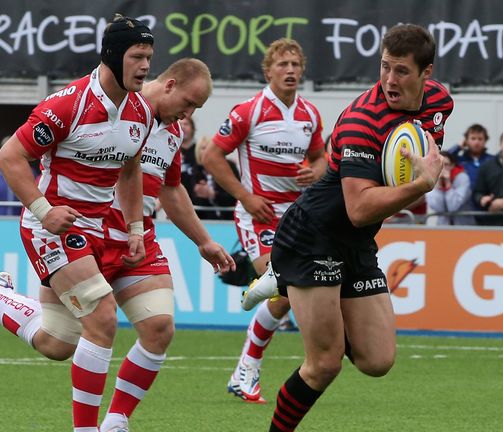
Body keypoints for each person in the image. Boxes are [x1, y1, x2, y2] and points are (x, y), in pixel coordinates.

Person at [0, 56, 232, 431]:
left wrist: (203, 241)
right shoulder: (112, 109)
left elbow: (170, 189)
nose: (187, 115)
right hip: (85, 238)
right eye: (188, 103)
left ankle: (116, 422)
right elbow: (22, 157)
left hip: (135, 243)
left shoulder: (170, 133)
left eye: (195, 110)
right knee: (59, 343)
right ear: (169, 85)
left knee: (158, 329)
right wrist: (45, 210)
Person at [0, 14, 155, 431]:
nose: (145, 66)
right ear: (112, 56)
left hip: (95, 230)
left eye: (148, 57)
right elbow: (8, 157)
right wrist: (43, 210)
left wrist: (136, 227)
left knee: (56, 343)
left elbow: (129, 169)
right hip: (52, 229)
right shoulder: (67, 104)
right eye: (137, 56)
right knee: (104, 319)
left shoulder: (141, 111)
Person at [260, 24, 452, 431]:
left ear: (426, 73)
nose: (389, 80)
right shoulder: (363, 120)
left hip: (355, 243)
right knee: (324, 364)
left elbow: (420, 149)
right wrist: (420, 184)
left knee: (378, 360)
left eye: (401, 71)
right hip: (314, 235)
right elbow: (360, 208)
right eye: (384, 67)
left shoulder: (439, 102)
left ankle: (287, 284)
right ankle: (292, 282)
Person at [202, 38, 326, 403]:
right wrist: (246, 197)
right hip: (259, 214)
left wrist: (314, 172)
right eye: (283, 64)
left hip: (298, 216)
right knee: (285, 281)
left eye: (295, 65)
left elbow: (321, 158)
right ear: (268, 70)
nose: (290, 70)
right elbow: (211, 156)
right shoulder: (250, 111)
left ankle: (245, 370)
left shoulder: (309, 115)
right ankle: (247, 368)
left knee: (287, 292)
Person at [426, 151, 474, 225]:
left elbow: (453, 207)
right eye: (439, 164)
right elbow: (438, 207)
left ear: (452, 165)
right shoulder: (431, 179)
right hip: (443, 227)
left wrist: (448, 184)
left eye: (446, 164)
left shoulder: (462, 178)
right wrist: (438, 184)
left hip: (463, 226)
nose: (442, 168)